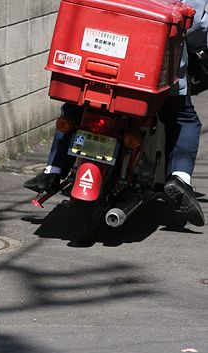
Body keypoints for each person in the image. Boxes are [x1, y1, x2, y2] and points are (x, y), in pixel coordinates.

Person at [25, 0, 208, 227]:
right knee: (183, 118)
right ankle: (179, 178)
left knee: (75, 107)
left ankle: (53, 169)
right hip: (152, 70)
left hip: (95, 58)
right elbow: (197, 26)